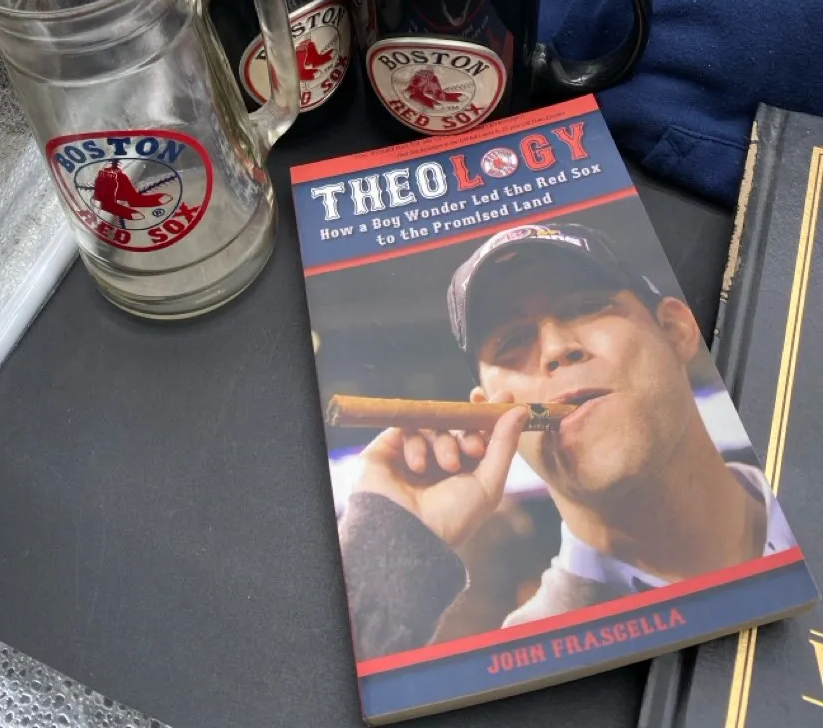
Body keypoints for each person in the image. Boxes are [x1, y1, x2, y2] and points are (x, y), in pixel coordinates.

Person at [339, 222, 795, 659]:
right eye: (511, 340)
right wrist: (387, 554)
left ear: (675, 329)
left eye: (585, 306)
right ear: (487, 410)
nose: (556, 348)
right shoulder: (525, 660)